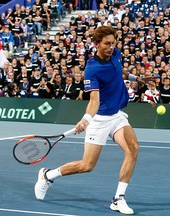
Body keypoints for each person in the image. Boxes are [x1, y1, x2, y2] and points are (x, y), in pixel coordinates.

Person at [34, 26, 139, 215]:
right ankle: (48, 175)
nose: (111, 47)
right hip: (99, 119)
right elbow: (94, 100)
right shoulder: (92, 69)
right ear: (97, 44)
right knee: (86, 166)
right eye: (107, 44)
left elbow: (120, 71)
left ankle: (118, 199)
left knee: (133, 149)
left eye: (113, 43)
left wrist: (135, 78)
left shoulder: (115, 53)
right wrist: (86, 119)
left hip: (117, 116)